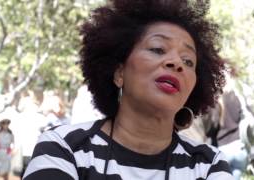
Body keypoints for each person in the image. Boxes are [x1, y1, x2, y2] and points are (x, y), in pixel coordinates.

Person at [23, 0, 234, 179]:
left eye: (188, 61)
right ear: (119, 73)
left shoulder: (208, 165)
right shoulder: (64, 148)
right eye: (158, 49)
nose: (176, 63)